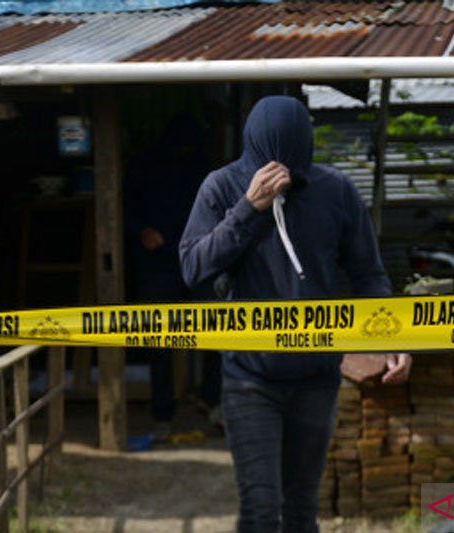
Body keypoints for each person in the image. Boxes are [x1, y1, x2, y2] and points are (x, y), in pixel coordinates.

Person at [179, 95, 412, 531]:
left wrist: (391, 336)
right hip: (249, 376)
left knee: (303, 510)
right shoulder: (223, 187)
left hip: (317, 376)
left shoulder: (335, 191)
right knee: (261, 511)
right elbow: (193, 267)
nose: (281, 175)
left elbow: (369, 275)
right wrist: (248, 210)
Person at [124, 113, 221, 439]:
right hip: (157, 265)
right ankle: (162, 415)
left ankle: (212, 401)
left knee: (214, 335)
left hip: (200, 263)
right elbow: (121, 205)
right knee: (159, 342)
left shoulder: (204, 167)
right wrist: (142, 231)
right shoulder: (145, 166)